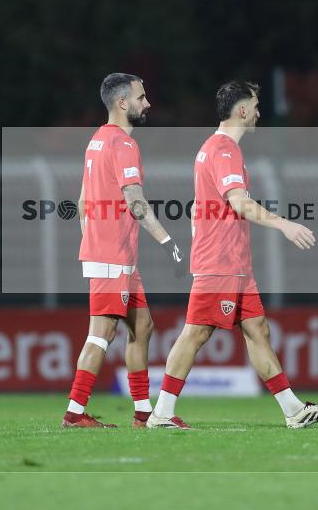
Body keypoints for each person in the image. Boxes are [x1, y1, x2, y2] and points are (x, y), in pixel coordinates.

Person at [147, 80, 318, 429]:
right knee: (196, 333)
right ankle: (161, 412)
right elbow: (239, 203)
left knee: (258, 331)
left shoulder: (211, 148)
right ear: (242, 110)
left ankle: (294, 410)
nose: (259, 113)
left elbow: (199, 207)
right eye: (255, 105)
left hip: (233, 262)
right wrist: (285, 225)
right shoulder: (224, 150)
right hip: (220, 261)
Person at [63, 73, 185, 428]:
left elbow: (83, 202)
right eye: (141, 97)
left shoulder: (97, 141)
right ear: (122, 103)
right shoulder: (123, 144)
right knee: (102, 334)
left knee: (142, 327)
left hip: (115, 256)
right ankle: (74, 413)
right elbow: (135, 200)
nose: (146, 104)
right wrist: (168, 243)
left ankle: (144, 413)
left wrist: (94, 242)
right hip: (112, 257)